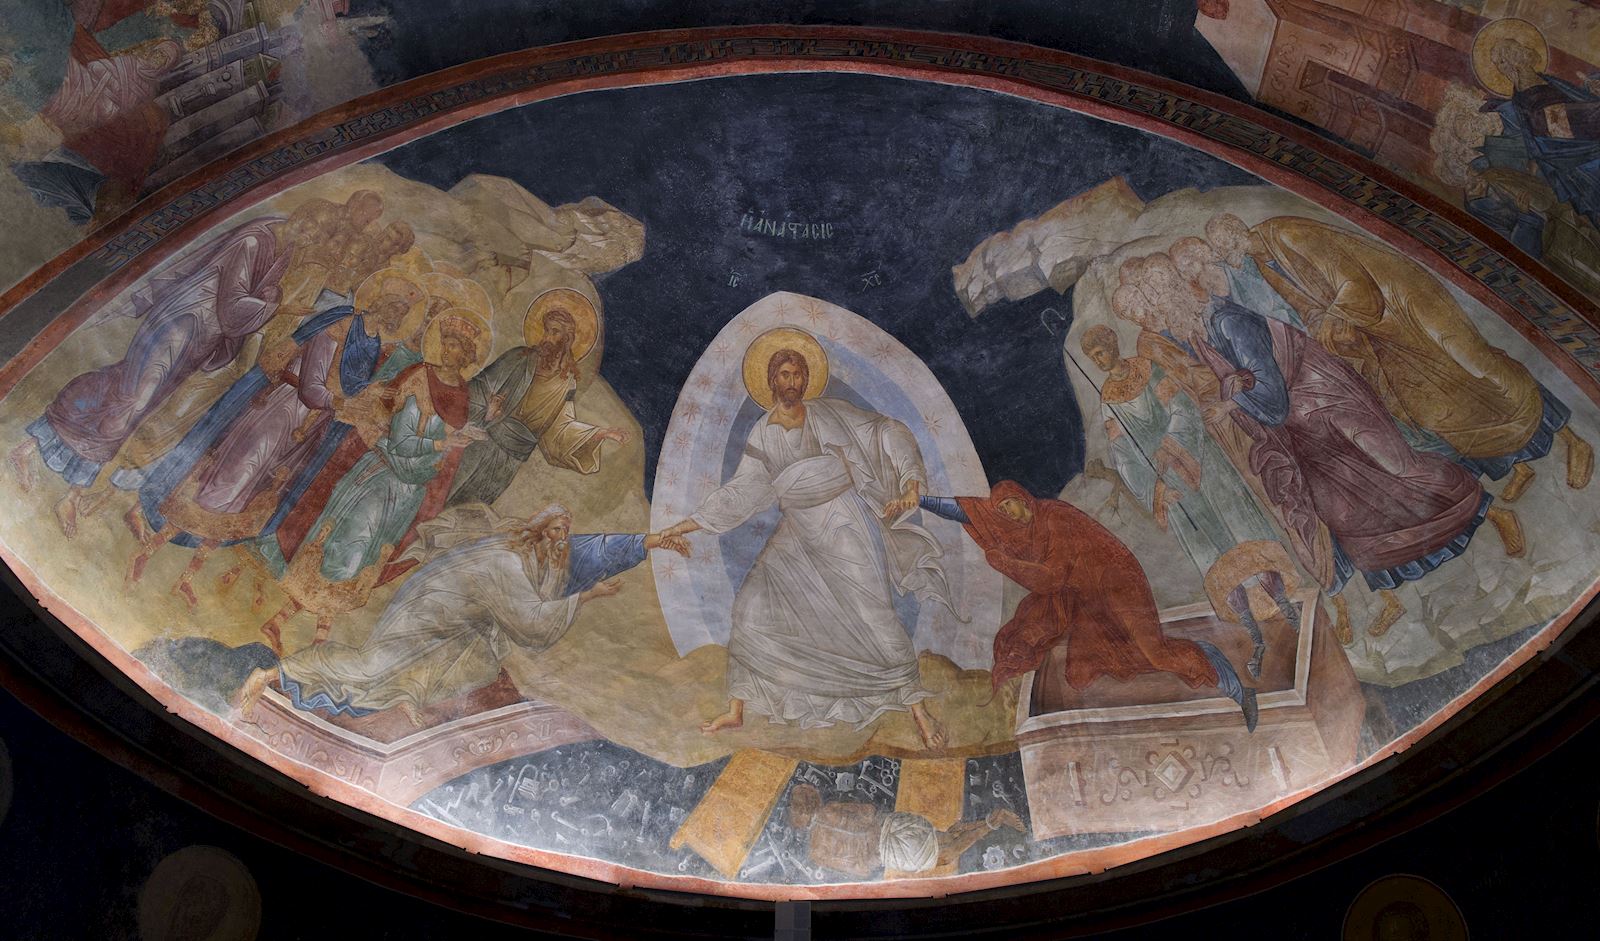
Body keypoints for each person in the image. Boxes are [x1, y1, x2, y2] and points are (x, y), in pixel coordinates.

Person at [1162, 247, 1521, 642]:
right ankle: (1389, 595)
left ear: (1183, 294)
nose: (1163, 321)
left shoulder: (1229, 322)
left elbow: (1272, 399)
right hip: (1304, 427)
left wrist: (1230, 403)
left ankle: (1490, 510)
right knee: (1341, 507)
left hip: (1325, 397)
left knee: (1399, 466)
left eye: (1162, 308)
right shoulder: (1205, 333)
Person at [660, 331, 959, 749]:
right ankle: (737, 709)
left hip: (843, 519)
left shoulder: (828, 413)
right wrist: (685, 526)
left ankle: (920, 713)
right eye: (785, 374)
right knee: (750, 606)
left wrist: (910, 481)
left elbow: (886, 430)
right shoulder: (763, 433)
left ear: (807, 380)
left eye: (799, 374)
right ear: (771, 380)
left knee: (873, 614)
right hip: (797, 527)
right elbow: (741, 492)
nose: (793, 382)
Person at [1204, 213, 1592, 502]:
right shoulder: (1264, 262)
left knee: (1476, 366)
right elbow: (1306, 308)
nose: (1222, 257)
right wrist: (1324, 331)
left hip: (1402, 304)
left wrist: (1332, 319)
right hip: (1376, 333)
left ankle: (1571, 437)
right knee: (1428, 406)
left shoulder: (1288, 234)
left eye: (1221, 248)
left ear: (1236, 234)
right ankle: (1514, 464)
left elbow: (1358, 287)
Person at [123, 271, 429, 603]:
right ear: (378, 301)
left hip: (308, 430)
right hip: (281, 408)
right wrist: (351, 403)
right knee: (224, 485)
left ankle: (188, 577)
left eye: (403, 311)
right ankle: (147, 552)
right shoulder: (340, 323)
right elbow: (312, 387)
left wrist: (367, 399)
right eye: (394, 304)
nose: (397, 313)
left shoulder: (372, 346)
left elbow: (347, 392)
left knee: (247, 499)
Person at [236, 504, 689, 727]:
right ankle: (272, 674)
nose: (561, 540)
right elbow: (530, 624)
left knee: (475, 664)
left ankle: (404, 695)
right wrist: (585, 598)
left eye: (565, 534)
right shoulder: (509, 563)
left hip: (458, 625)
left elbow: (595, 549)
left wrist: (652, 540)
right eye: (554, 530)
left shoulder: (536, 559)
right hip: (430, 611)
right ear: (537, 532)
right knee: (371, 663)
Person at [11, 213, 291, 536]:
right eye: (315, 229)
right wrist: (269, 302)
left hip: (197, 340)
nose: (312, 237)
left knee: (128, 398)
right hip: (183, 323)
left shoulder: (271, 255)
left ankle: (60, 479)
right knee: (131, 399)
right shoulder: (254, 241)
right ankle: (43, 459)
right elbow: (232, 311)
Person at [919, 481, 1259, 731]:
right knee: (1081, 672)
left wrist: (1005, 563)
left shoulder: (1055, 518)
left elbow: (1052, 579)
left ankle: (1233, 685)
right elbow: (972, 513)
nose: (1008, 515)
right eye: (1003, 513)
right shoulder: (1030, 531)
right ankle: (1195, 652)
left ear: (1023, 499)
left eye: (1010, 506)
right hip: (1090, 600)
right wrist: (921, 499)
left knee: (1156, 654)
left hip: (1119, 585)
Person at [254, 310, 489, 652]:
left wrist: (454, 444)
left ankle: (299, 630)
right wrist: (440, 444)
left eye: (455, 347)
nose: (447, 351)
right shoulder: (418, 376)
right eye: (446, 343)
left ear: (466, 356)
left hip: (408, 490)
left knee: (362, 558)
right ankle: (297, 628)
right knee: (343, 547)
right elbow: (400, 439)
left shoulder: (462, 397)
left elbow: (444, 460)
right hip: (379, 474)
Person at [1080, 325, 1300, 677]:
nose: (1099, 360)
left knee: (1242, 532)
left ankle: (1287, 608)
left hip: (1202, 461)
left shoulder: (1147, 369)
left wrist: (1172, 445)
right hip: (1169, 482)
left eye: (1101, 351)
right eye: (1093, 358)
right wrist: (1155, 488)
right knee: (1212, 553)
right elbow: (1124, 456)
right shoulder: (1108, 399)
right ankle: (1254, 636)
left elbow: (1182, 407)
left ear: (1113, 345)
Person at [446, 296, 628, 508]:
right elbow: (479, 387)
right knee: (447, 494)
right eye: (546, 330)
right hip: (483, 440)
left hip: (510, 459)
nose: (547, 337)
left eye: (555, 332)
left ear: (567, 339)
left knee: (469, 508)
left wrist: (601, 433)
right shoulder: (519, 358)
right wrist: (487, 411)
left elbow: (560, 430)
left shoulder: (566, 384)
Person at [786, 783, 1024, 878]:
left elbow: (860, 869)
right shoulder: (829, 809)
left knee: (946, 855)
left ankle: (995, 821)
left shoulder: (816, 852)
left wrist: (864, 854)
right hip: (892, 824)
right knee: (943, 837)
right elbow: (868, 810)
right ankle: (987, 820)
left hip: (886, 849)